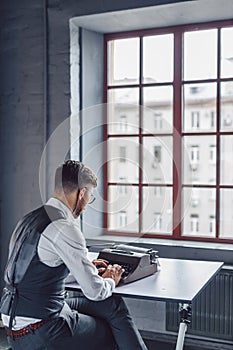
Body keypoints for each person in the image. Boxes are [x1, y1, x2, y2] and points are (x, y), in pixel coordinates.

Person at [0, 160, 148, 350]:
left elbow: (37, 272)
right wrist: (111, 279)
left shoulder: (28, 220)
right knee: (108, 330)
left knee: (112, 304)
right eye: (90, 197)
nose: (87, 204)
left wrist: (86, 269)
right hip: (40, 329)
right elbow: (95, 291)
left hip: (12, 324)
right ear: (82, 193)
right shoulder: (64, 227)